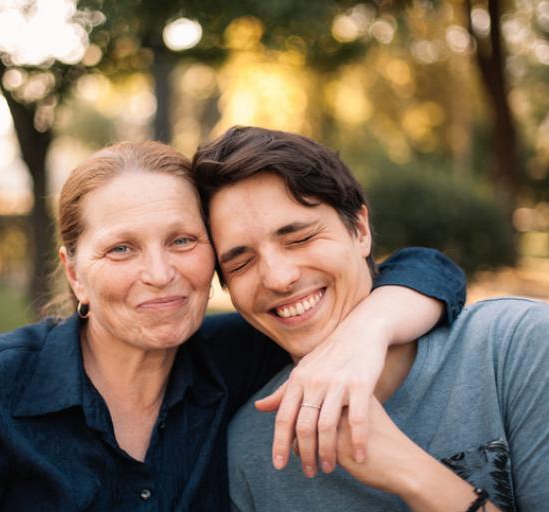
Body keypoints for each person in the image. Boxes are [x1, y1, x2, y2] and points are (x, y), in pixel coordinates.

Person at [0, 141, 465, 511]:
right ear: (74, 273)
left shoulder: (239, 355)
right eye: (121, 249)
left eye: (182, 241)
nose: (160, 274)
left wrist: (364, 333)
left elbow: (422, 269)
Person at [192, 126, 549, 512]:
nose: (279, 278)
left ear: (359, 230)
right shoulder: (250, 453)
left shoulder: (516, 349)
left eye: (299, 239)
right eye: (241, 263)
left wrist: (410, 472)